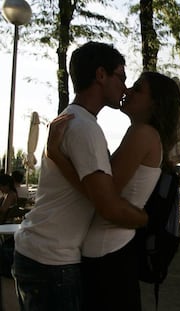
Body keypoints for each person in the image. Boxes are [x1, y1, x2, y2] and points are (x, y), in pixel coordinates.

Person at [12, 42, 149, 311]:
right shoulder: (85, 128)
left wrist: (57, 156)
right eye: (120, 76)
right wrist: (143, 218)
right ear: (101, 75)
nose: (125, 87)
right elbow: (106, 204)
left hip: (38, 250)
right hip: (53, 261)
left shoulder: (71, 119)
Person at [46, 71, 180, 310]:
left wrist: (56, 155)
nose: (127, 90)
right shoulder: (146, 135)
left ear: (155, 103)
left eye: (138, 89)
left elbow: (103, 195)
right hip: (112, 249)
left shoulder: (142, 134)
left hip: (108, 253)